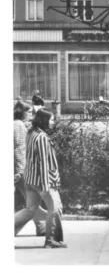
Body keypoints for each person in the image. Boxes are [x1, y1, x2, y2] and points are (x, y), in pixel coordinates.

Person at [15, 109, 66, 248]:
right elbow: (43, 162)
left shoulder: (32, 133)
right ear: (44, 121)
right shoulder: (42, 137)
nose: (53, 122)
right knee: (55, 208)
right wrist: (45, 185)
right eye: (51, 120)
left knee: (30, 209)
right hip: (43, 181)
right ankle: (51, 240)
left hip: (30, 180)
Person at [14, 101, 47, 236]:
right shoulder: (19, 125)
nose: (30, 115)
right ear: (22, 112)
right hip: (20, 170)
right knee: (31, 203)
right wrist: (20, 170)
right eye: (28, 112)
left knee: (31, 201)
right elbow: (19, 149)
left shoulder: (16, 124)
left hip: (18, 169)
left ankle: (41, 226)